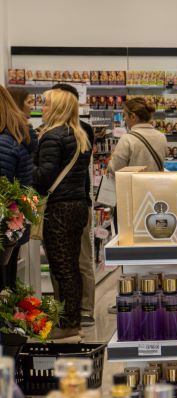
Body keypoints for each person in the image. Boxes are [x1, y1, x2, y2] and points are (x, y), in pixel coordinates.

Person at [33, 89, 92, 341]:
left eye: (46, 104)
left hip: (59, 208)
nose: (42, 108)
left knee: (62, 267)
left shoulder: (52, 136)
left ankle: (67, 323)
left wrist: (26, 166)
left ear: (56, 108)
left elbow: (43, 176)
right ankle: (73, 320)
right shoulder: (78, 135)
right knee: (71, 266)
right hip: (77, 205)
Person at [49, 83, 98, 327]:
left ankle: (79, 310)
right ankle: (70, 310)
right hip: (78, 201)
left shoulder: (77, 130)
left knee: (74, 260)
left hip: (65, 203)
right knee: (67, 261)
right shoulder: (75, 130)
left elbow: (48, 172)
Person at [0, 86, 35, 290]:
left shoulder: (4, 143)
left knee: (5, 286)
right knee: (8, 283)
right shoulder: (15, 138)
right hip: (12, 227)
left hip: (5, 228)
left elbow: (4, 190)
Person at [109, 97, 167, 172]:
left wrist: (111, 159)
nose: (124, 119)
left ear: (133, 116)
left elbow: (115, 169)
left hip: (133, 180)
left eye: (124, 115)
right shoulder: (161, 137)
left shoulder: (127, 139)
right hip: (156, 179)